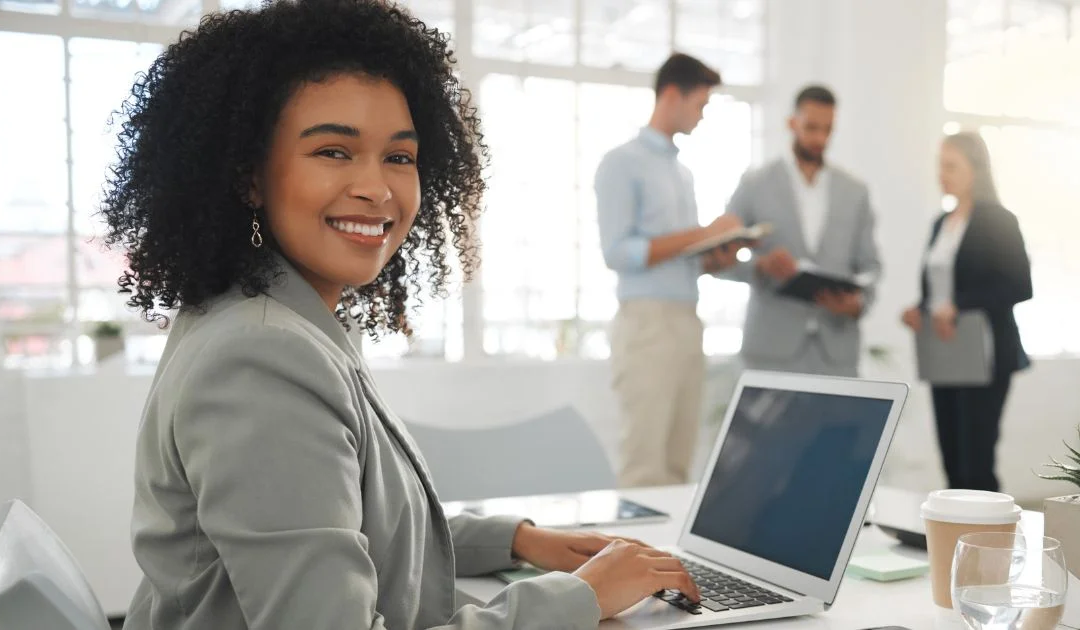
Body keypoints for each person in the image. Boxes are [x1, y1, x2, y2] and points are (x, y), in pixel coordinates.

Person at [102, 2, 699, 628]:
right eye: (333, 151)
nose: (378, 188)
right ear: (249, 176)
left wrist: (516, 540)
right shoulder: (261, 356)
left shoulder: (266, 319)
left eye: (400, 157)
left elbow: (339, 521)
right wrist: (577, 598)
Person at [594, 53, 743, 489]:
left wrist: (715, 253)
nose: (701, 116)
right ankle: (635, 558)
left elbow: (679, 252)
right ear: (672, 95)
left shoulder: (682, 172)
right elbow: (618, 252)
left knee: (678, 462)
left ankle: (667, 560)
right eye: (700, 104)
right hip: (647, 323)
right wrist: (703, 232)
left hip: (686, 321)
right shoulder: (621, 162)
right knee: (645, 463)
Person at [715, 85, 881, 377]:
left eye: (828, 129)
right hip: (771, 351)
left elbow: (870, 267)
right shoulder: (755, 184)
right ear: (792, 123)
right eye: (811, 127)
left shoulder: (855, 192)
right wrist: (761, 266)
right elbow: (718, 257)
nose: (820, 138)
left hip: (836, 353)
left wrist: (857, 303)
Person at [901, 131, 1032, 492]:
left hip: (984, 353)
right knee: (953, 461)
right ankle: (955, 543)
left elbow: (1020, 285)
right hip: (944, 351)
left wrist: (959, 305)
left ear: (976, 169)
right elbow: (937, 290)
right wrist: (921, 310)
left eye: (950, 166)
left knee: (977, 462)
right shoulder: (940, 224)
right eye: (939, 166)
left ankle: (989, 542)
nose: (941, 174)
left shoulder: (999, 220)